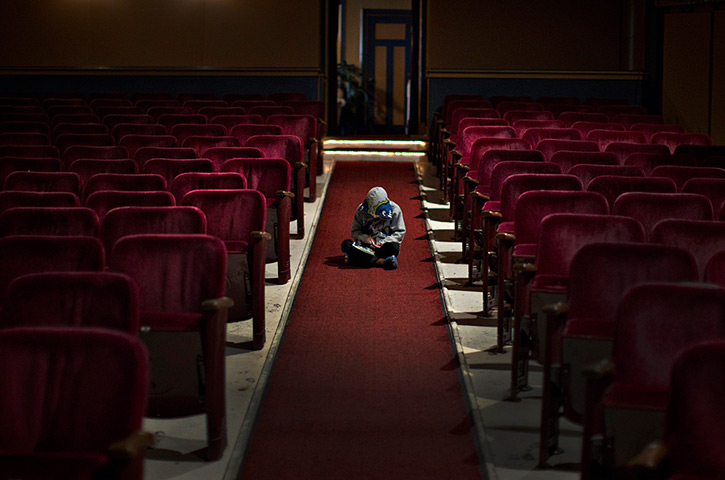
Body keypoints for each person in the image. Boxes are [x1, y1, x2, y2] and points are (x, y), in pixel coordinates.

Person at [341, 186, 405, 270]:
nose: (374, 216)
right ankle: (381, 261)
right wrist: (365, 238)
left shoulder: (395, 209)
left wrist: (382, 242)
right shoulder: (360, 210)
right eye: (371, 213)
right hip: (365, 246)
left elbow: (399, 233)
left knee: (394, 247)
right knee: (346, 244)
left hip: (382, 246)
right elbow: (355, 231)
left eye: (378, 213)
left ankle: (356, 259)